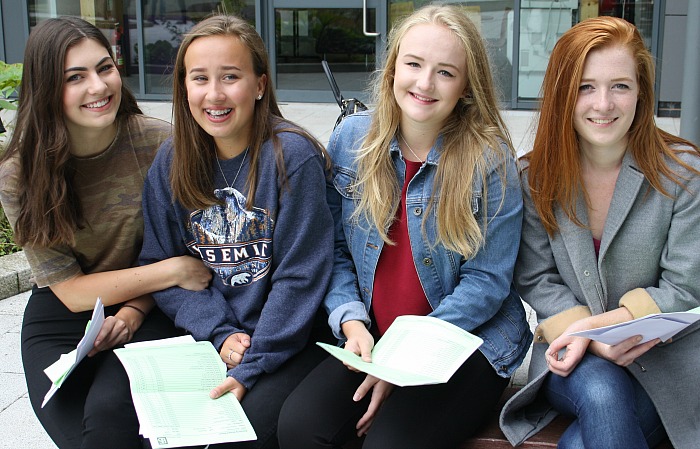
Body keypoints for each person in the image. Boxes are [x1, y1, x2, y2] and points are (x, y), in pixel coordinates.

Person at [277, 5, 532, 449]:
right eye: (413, 64)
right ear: (393, 66)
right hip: (372, 333)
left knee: (389, 443)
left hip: (466, 340)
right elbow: (334, 250)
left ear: (467, 85)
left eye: (445, 72)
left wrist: (402, 362)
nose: (424, 83)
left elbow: (487, 283)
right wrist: (352, 323)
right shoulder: (352, 139)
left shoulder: (490, 160)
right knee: (299, 427)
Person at [0, 17, 213, 449]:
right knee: (79, 434)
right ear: (45, 90)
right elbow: (72, 292)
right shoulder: (19, 172)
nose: (98, 87)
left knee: (110, 422)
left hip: (156, 304)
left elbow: (197, 258)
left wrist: (134, 309)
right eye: (75, 77)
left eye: (105, 68)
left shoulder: (160, 144)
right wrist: (171, 271)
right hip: (67, 312)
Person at [499, 16, 700, 449]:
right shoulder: (535, 176)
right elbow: (535, 277)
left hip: (663, 355)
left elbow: (684, 285)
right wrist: (589, 339)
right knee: (603, 391)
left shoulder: (684, 173)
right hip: (571, 356)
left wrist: (601, 328)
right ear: (562, 94)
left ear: (641, 92)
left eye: (620, 86)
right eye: (586, 87)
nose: (603, 104)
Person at [138, 14, 334, 449]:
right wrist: (219, 332)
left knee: (239, 435)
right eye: (200, 78)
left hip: (288, 340)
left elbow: (301, 277)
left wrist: (251, 361)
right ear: (183, 87)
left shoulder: (291, 157)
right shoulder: (171, 162)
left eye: (230, 76)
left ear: (260, 85)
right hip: (213, 340)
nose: (214, 94)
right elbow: (160, 263)